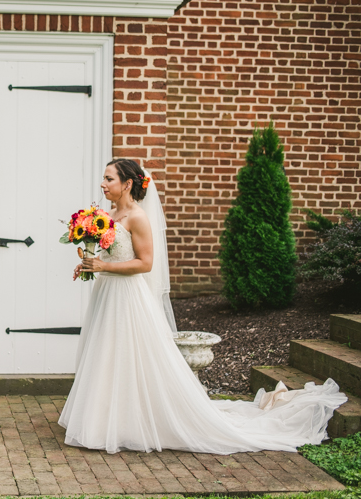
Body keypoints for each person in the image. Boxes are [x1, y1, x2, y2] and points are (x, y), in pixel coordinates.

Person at [59, 158, 347, 455]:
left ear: (127, 184)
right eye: (104, 179)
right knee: (106, 353)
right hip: (107, 293)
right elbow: (112, 256)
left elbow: (145, 264)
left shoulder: (137, 217)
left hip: (128, 297)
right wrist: (92, 266)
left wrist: (104, 266)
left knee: (129, 356)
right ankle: (106, 420)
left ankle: (134, 422)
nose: (103, 184)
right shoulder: (107, 214)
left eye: (109, 179)